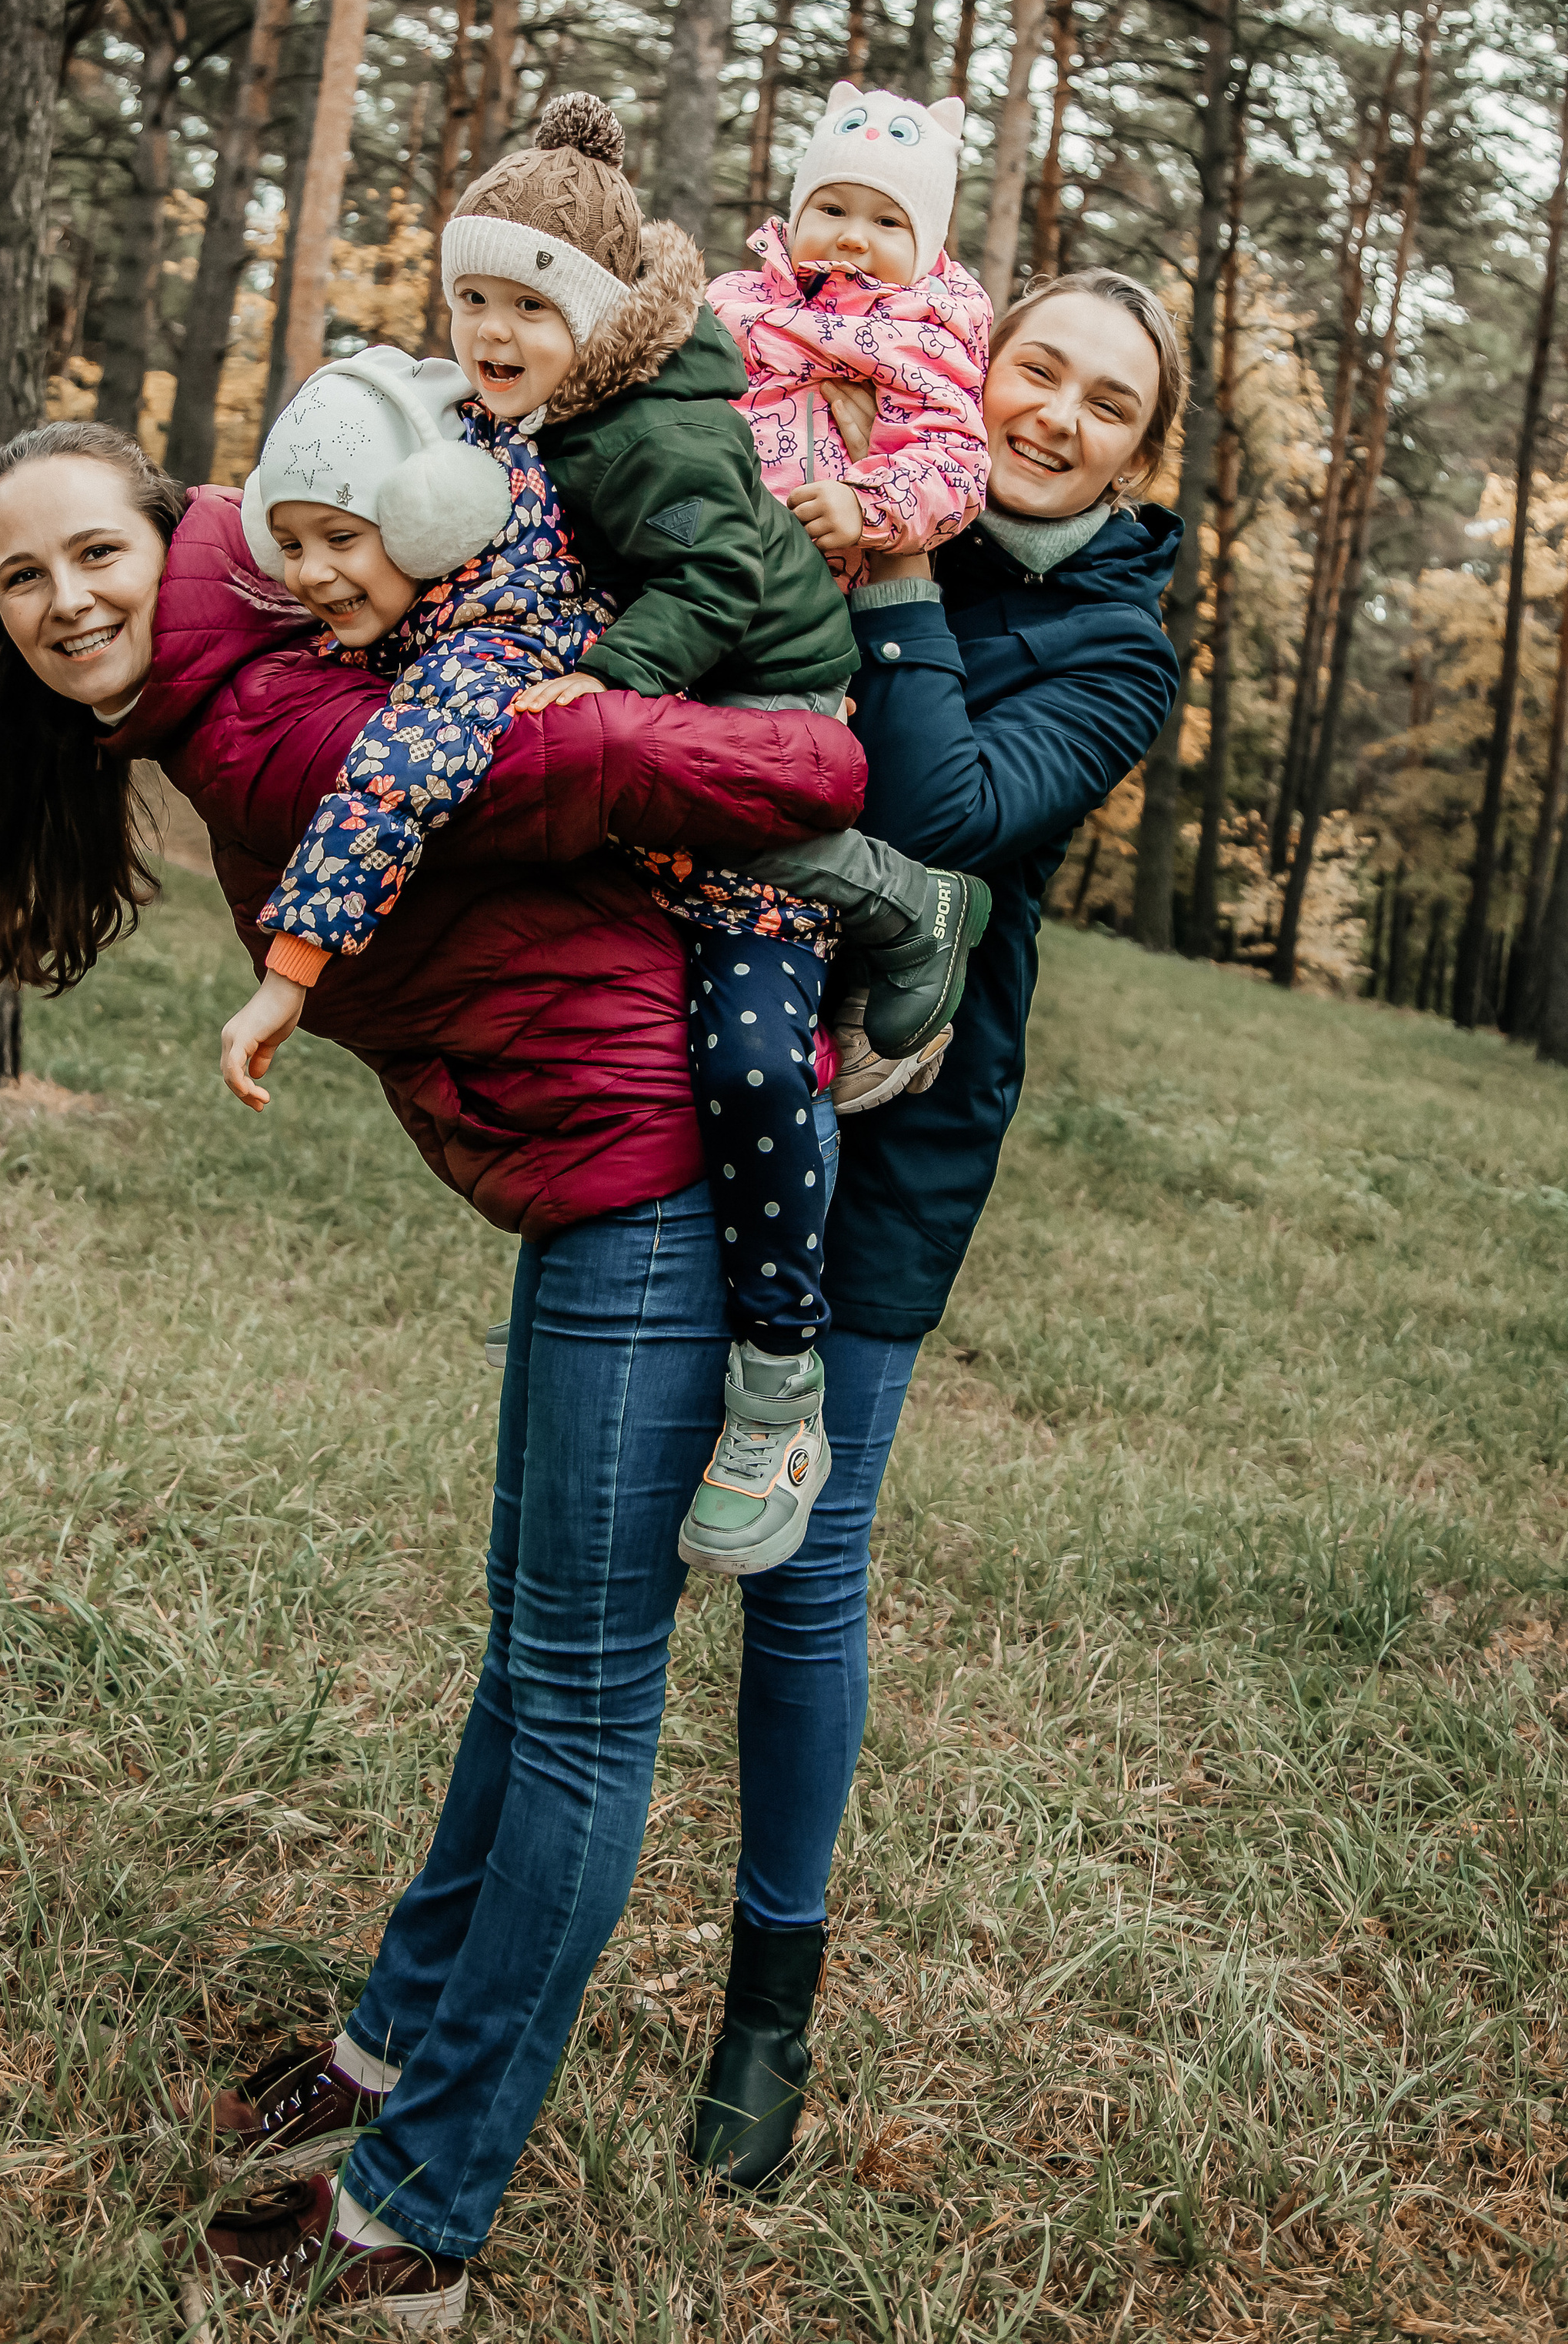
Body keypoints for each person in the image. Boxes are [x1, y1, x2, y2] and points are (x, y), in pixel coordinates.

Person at [0, 412, 867, 2329]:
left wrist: (825, 759)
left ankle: (419, 2204)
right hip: (586, 1160)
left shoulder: (263, 712)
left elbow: (583, 749)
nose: (66, 598)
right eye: (23, 578)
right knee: (535, 1651)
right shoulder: (222, 671)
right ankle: (385, 2048)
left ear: (164, 523)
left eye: (92, 551)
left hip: (648, 1159)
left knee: (579, 1699)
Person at [686, 267, 1189, 2191]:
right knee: (616, 1521)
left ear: (1138, 453)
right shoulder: (836, 450)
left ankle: (766, 2008)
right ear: (973, 361)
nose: (1048, 409)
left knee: (804, 1552)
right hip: (728, 1029)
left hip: (908, 1118)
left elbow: (945, 801)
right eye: (1029, 366)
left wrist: (886, 563)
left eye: (1099, 401)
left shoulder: (1112, 642)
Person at [419, 91, 987, 1578]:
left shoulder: (653, 429)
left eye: (522, 300)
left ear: (595, 315)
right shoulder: (600, 395)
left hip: (773, 700)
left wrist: (611, 679)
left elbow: (725, 574)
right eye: (468, 298)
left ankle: (780, 1382)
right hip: (709, 694)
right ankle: (598, 1296)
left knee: (747, 1049)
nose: (490, 328)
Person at [709, 79, 992, 593]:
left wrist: (867, 506)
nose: (853, 236)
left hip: (811, 595)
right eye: (832, 209)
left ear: (925, 250)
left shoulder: (924, 339)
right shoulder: (736, 300)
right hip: (692, 542)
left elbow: (955, 465)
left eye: (887, 221)